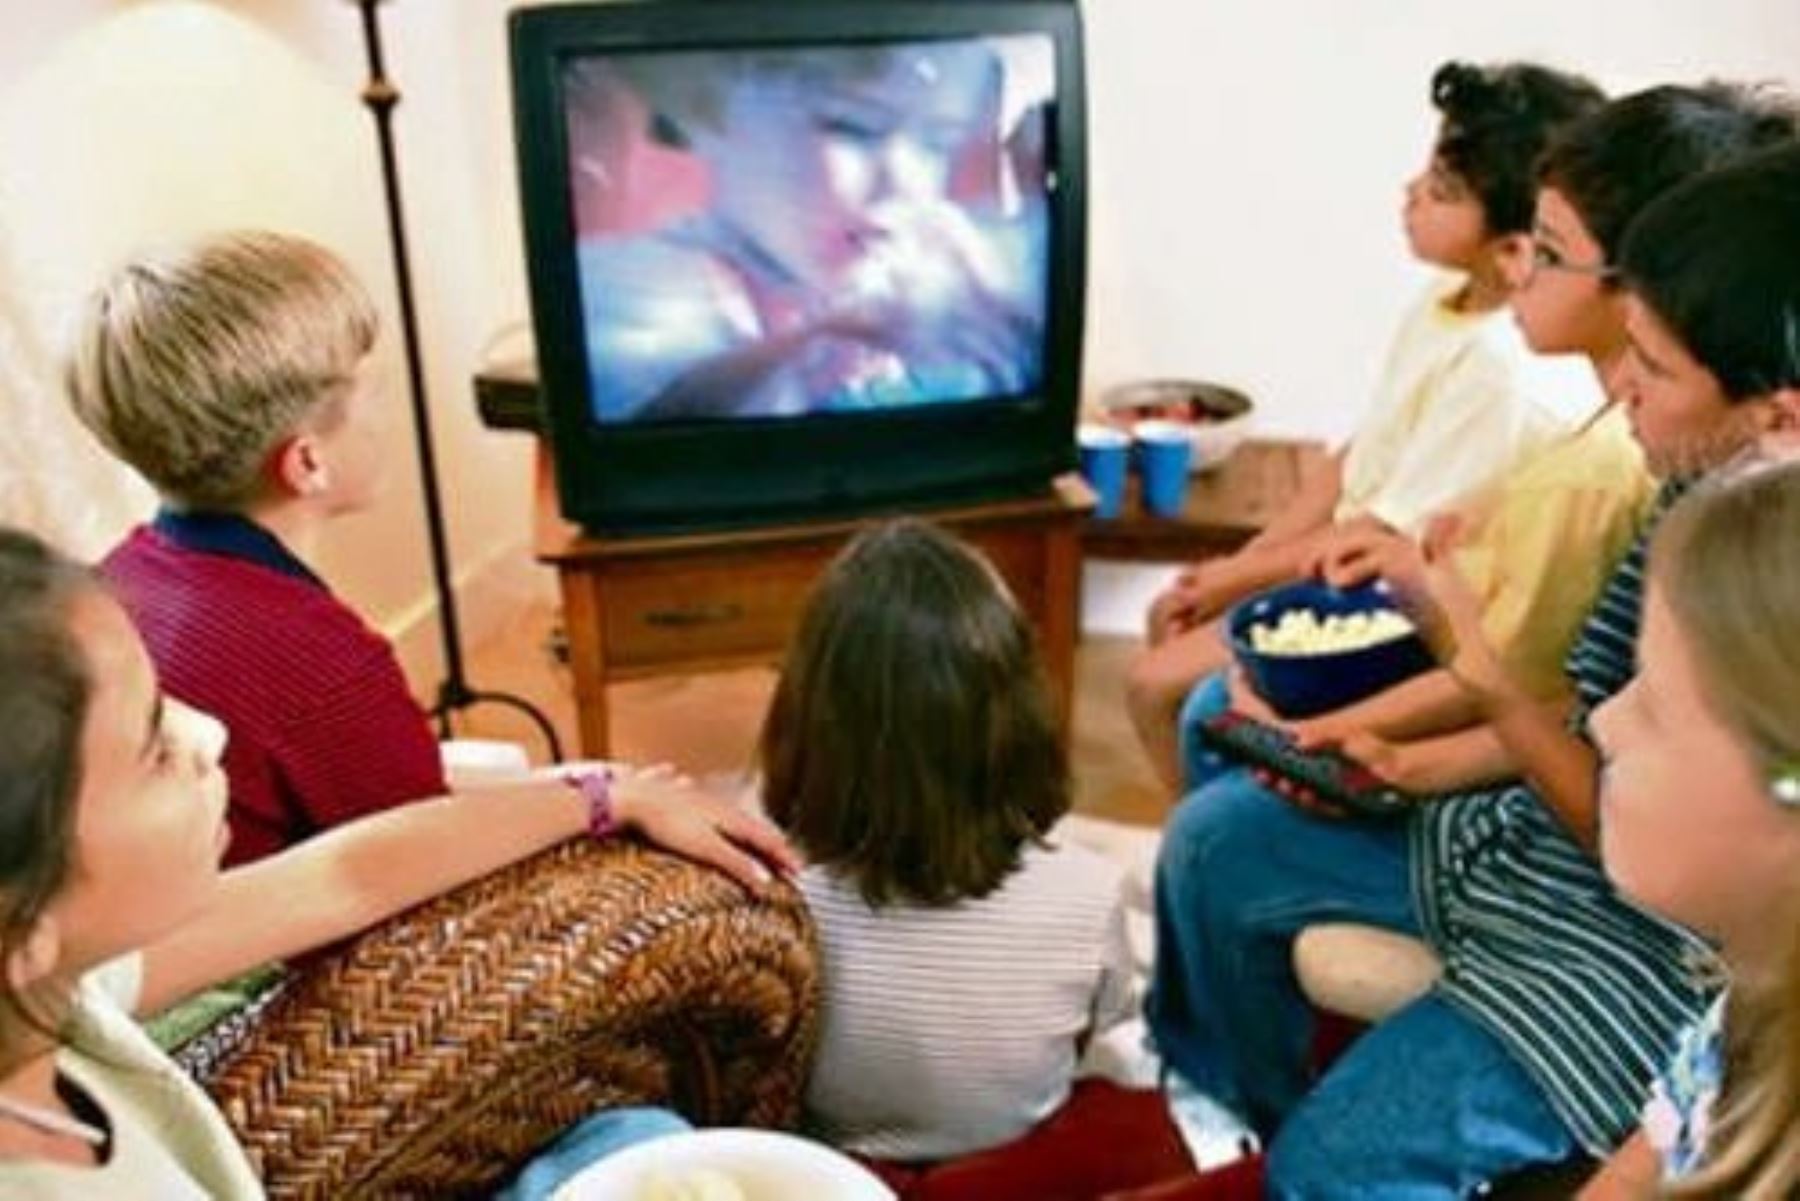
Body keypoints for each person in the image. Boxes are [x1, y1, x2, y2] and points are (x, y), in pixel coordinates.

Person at [1146, 83, 1799, 1196]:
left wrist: (1480, 687)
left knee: (1333, 1164)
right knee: (1217, 845)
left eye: (1651, 366)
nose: (1620, 390)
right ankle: (1236, 1124)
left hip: (1628, 938)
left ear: (1777, 415)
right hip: (1537, 833)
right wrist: (1411, 757)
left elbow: (1616, 811)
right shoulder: (1686, 498)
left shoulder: (1746, 593)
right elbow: (1582, 722)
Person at [0, 526, 797, 1197]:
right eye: (155, 747)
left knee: (631, 1135)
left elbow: (343, 876)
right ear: (23, 923)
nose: (210, 732)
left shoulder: (56, 984)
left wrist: (602, 796)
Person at [1127, 60, 1608, 791]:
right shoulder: (1445, 301)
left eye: (1441, 190)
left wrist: (1237, 578)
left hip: (1390, 597)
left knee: (1157, 686)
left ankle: (1198, 830)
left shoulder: (1500, 370)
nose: (1410, 193)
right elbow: (1358, 460)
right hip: (1339, 560)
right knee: (1174, 623)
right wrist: (1243, 562)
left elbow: (1384, 535)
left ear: (1513, 246)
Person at [759, 520, 1155, 1172]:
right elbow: (1092, 1031)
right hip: (1013, 1162)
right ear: (1021, 714)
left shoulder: (774, 894)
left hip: (838, 1167)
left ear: (805, 718)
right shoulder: (1089, 892)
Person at [70, 232, 472, 863]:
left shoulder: (113, 582)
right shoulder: (321, 664)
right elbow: (434, 852)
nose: (386, 418)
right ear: (307, 463)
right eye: (375, 394)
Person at [571, 41, 1047, 421]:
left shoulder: (949, 276)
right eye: (853, 128)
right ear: (707, 116)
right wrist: (816, 340)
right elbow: (652, 439)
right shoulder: (623, 289)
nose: (905, 187)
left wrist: (1006, 332)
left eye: (937, 143)